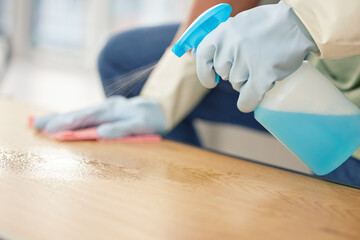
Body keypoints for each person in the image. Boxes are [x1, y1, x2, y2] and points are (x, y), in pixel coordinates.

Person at [35, 0, 360, 186]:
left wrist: (305, 22)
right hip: (309, 61)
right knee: (122, 60)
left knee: (340, 197)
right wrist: (161, 99)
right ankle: (184, 198)